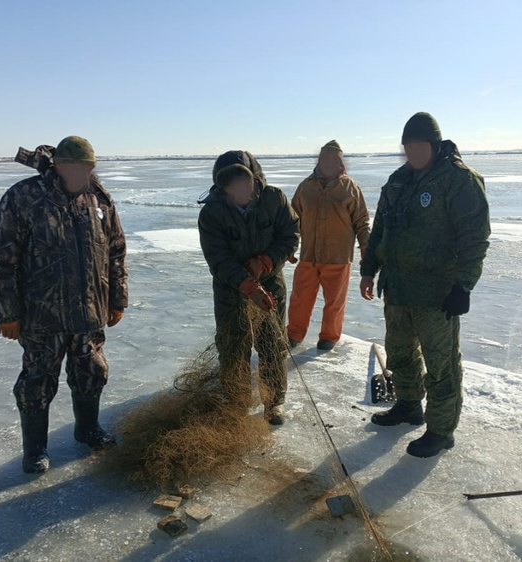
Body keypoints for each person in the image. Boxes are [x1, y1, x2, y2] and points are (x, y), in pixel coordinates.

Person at [0, 136, 128, 473]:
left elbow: (116, 250)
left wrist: (117, 298)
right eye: (75, 167)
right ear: (59, 165)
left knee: (92, 371)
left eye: (88, 168)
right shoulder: (25, 197)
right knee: (36, 379)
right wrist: (7, 312)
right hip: (40, 315)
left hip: (89, 312)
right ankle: (35, 449)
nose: (82, 174)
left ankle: (87, 429)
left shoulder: (99, 199)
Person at [360, 113, 490, 458]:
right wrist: (368, 269)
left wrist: (463, 286)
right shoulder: (397, 181)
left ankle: (441, 431)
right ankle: (408, 406)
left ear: (433, 145)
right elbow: (380, 231)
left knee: (441, 364)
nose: (413, 153)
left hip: (437, 293)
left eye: (419, 146)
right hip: (398, 288)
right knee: (400, 353)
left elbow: (475, 237)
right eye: (408, 147)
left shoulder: (458, 180)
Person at [198, 150, 299, 425]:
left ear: (255, 180)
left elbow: (290, 235)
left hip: (271, 282)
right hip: (231, 290)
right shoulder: (211, 213)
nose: (239, 190)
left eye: (244, 182)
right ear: (222, 187)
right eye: (231, 185)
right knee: (233, 346)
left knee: (272, 344)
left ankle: (273, 402)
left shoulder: (274, 198)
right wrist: (246, 283)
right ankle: (236, 401)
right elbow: (218, 258)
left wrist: (265, 262)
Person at [287, 140, 370, 351]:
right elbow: (292, 220)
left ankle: (329, 337)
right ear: (320, 161)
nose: (329, 164)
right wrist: (290, 247)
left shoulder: (350, 188)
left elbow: (362, 223)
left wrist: (366, 250)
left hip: (338, 257)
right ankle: (294, 334)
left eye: (334, 160)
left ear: (340, 163)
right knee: (299, 299)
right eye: (325, 159)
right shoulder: (305, 187)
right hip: (308, 256)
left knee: (334, 302)